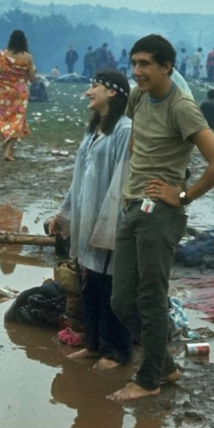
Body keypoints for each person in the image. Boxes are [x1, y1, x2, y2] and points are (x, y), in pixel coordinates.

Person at [108, 34, 214, 402]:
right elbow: (137, 143)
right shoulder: (138, 96)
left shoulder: (182, 107)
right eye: (133, 63)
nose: (137, 71)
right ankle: (165, 366)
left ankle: (148, 381)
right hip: (133, 206)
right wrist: (130, 188)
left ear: (166, 66)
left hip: (161, 214)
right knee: (121, 301)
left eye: (145, 64)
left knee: (151, 297)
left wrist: (181, 196)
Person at [46, 71, 133, 371]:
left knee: (110, 287)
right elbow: (78, 179)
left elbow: (122, 181)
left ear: (112, 93)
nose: (88, 92)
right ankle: (93, 345)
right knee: (90, 284)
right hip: (87, 218)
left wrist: (109, 223)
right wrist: (63, 214)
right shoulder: (93, 130)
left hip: (108, 220)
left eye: (94, 86)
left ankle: (117, 351)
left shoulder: (124, 130)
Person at [0, 29, 36, 162]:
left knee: (4, 119)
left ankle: (8, 146)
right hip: (19, 94)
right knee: (17, 120)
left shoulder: (2, 55)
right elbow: (32, 79)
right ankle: (8, 151)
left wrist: (1, 86)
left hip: (2, 94)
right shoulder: (28, 58)